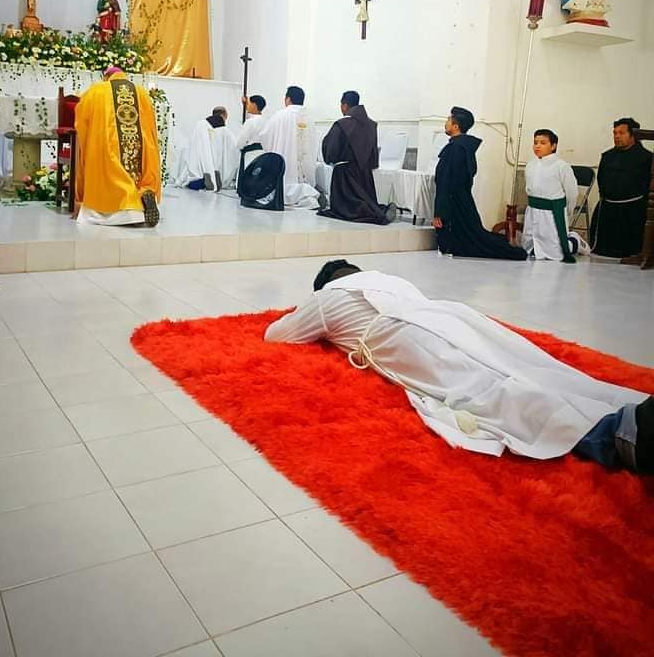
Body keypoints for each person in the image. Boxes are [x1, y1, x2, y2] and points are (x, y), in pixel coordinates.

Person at [265, 261, 654, 473]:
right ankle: (626, 412)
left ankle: (616, 434)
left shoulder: (328, 297)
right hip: (450, 316)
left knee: (486, 392)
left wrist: (311, 308)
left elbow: (277, 334)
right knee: (525, 363)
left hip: (405, 335)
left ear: (326, 284)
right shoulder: (390, 278)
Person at [434, 106, 527, 260]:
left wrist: (440, 211)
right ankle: (507, 247)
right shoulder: (462, 147)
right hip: (461, 199)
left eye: (448, 120)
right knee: (474, 236)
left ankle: (512, 251)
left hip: (454, 202)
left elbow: (446, 181)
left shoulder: (456, 148)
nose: (446, 122)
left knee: (475, 241)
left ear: (456, 126)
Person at [75, 66, 161, 226]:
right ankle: (142, 197)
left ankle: (124, 213)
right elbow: (151, 127)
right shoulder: (141, 92)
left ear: (106, 77)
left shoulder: (96, 91)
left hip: (108, 146)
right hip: (138, 144)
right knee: (136, 174)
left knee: (109, 173)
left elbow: (81, 120)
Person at [318, 90, 394, 224]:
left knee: (346, 207)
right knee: (366, 199)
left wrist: (330, 158)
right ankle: (380, 210)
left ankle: (374, 213)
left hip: (344, 174)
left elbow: (331, 150)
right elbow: (373, 153)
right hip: (365, 174)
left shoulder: (342, 124)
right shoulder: (371, 125)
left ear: (345, 105)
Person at [521, 129, 589, 262]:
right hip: (533, 210)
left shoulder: (561, 166)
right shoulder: (530, 165)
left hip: (552, 213)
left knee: (555, 251)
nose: (538, 146)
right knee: (529, 245)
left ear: (553, 146)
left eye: (543, 143)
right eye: (535, 142)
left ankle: (575, 242)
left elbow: (571, 192)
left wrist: (567, 211)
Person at [591, 117, 653, 258]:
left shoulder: (647, 158)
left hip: (634, 209)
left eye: (621, 133)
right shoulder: (607, 156)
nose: (617, 136)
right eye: (615, 133)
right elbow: (601, 179)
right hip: (608, 207)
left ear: (633, 135)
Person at [261, 85, 321, 209]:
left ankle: (288, 195)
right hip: (306, 170)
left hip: (285, 166)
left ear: (288, 99)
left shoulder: (280, 115)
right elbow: (315, 142)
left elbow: (265, 136)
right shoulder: (310, 119)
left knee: (286, 178)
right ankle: (306, 194)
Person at [184, 106, 238, 191]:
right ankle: (209, 181)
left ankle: (204, 181)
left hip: (197, 168)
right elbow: (234, 147)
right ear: (223, 116)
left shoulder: (201, 125)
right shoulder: (223, 130)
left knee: (197, 180)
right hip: (214, 167)